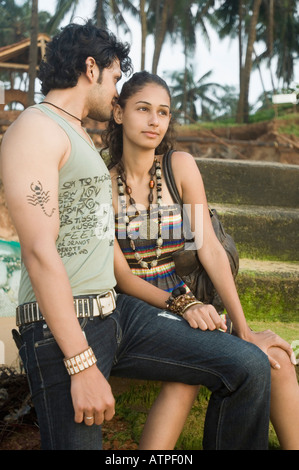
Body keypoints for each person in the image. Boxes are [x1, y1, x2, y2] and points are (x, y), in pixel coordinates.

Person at [0, 21, 289, 451]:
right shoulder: (36, 129)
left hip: (118, 312)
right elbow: (40, 251)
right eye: (116, 78)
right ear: (91, 68)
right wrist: (81, 364)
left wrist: (190, 304)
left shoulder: (79, 134)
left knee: (247, 365)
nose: (117, 90)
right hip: (66, 322)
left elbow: (109, 254)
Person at [102, 71, 299, 450]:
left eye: (163, 112)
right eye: (143, 109)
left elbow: (208, 247)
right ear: (119, 112)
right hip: (140, 307)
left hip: (191, 299)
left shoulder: (178, 167)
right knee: (187, 378)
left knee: (276, 357)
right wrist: (180, 305)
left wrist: (244, 328)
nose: (154, 120)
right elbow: (122, 277)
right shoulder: (102, 183)